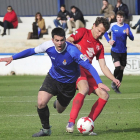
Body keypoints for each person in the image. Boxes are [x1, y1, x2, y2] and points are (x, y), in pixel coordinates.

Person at [0, 27, 110, 137]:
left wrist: (99, 82)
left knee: (59, 110)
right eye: (57, 40)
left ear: (65, 39)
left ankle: (57, 102)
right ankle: (46, 129)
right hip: (53, 78)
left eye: (62, 40)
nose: (60, 43)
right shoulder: (47, 45)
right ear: (52, 40)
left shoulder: (73, 51)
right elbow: (31, 51)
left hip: (69, 84)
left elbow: (89, 67)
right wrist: (12, 57)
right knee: (41, 102)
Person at [66, 17, 121, 134]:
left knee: (104, 95)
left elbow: (103, 66)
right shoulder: (82, 32)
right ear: (94, 26)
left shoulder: (100, 46)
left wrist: (113, 79)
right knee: (84, 88)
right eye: (98, 30)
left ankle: (88, 124)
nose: (99, 34)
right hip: (76, 68)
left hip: (88, 71)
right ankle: (71, 122)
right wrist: (74, 46)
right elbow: (68, 39)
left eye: (102, 32)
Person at [104, 11, 134, 93]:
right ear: (116, 18)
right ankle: (114, 80)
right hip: (115, 50)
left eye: (121, 17)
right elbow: (105, 33)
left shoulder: (126, 26)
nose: (120, 19)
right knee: (117, 67)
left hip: (123, 51)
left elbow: (132, 38)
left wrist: (128, 34)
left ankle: (116, 87)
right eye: (118, 17)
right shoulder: (113, 25)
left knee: (121, 69)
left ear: (123, 18)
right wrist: (109, 41)